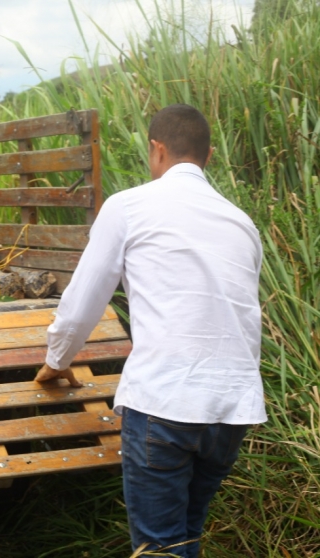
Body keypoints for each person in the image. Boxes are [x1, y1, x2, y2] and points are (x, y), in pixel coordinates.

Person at [35, 104, 266, 557]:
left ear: (156, 149)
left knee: (160, 549)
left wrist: (56, 360)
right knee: (184, 537)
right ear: (209, 156)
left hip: (167, 401)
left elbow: (82, 303)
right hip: (232, 410)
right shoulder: (243, 223)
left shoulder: (129, 206)